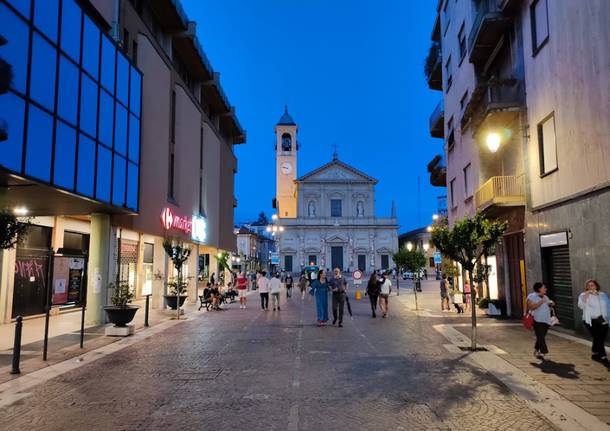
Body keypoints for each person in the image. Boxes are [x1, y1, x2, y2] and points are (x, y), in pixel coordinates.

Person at [578, 279, 610, 366]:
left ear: (596, 286)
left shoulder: (602, 295)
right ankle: (603, 357)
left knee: (600, 338)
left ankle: (595, 352)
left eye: (592, 285)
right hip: (590, 321)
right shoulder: (583, 295)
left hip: (604, 320)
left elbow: (608, 306)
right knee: (598, 338)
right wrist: (587, 295)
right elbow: (581, 306)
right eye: (589, 285)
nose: (591, 287)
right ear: (587, 287)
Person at [527, 282, 553, 360]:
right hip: (537, 320)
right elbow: (532, 307)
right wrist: (541, 302)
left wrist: (551, 304)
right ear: (539, 289)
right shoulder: (531, 296)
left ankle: (536, 350)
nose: (546, 289)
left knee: (540, 337)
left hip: (546, 320)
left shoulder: (546, 297)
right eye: (544, 288)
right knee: (541, 337)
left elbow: (549, 306)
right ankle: (543, 352)